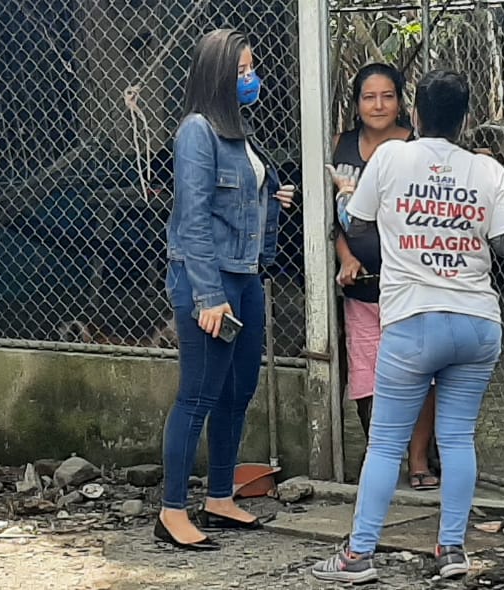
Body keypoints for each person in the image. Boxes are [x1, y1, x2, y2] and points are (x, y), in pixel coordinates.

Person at [312, 69, 504, 583]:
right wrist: (463, 224)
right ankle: (451, 550)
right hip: (477, 323)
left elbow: (356, 226)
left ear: (416, 112)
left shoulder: (391, 157)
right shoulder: (487, 169)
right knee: (457, 439)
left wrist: (345, 193)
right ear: (465, 118)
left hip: (413, 321)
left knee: (386, 444)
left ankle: (358, 556)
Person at [158, 28, 295, 552]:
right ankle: (172, 511)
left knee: (237, 392)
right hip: (208, 280)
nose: (251, 78)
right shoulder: (197, 131)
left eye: (251, 69)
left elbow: (233, 203)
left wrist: (271, 198)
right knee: (198, 395)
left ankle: (219, 497)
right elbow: (193, 219)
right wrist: (208, 296)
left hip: (246, 275)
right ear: (217, 75)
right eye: (241, 71)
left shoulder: (237, 130)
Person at [331, 63, 441, 491]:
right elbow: (332, 218)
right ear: (356, 103)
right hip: (360, 290)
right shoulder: (340, 145)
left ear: (400, 102)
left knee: (421, 376)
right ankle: (382, 453)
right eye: (369, 97)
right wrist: (346, 257)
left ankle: (418, 460)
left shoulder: (418, 147)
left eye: (388, 96)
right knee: (365, 376)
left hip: (411, 287)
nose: (378, 105)